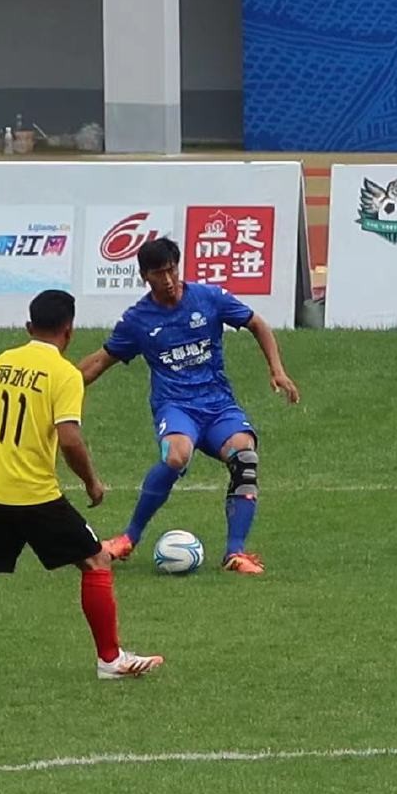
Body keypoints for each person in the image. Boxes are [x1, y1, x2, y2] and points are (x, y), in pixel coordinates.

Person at [0, 290, 161, 681]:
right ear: (69, 331)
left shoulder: (0, 364)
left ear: (29, 327)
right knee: (95, 560)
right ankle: (110, 660)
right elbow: (70, 438)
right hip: (36, 496)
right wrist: (91, 482)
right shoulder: (64, 375)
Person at [79, 237, 300, 575]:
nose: (167, 280)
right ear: (144, 276)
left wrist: (278, 370)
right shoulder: (138, 320)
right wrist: (57, 387)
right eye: (158, 274)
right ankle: (128, 538)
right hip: (175, 407)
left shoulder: (208, 298)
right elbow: (99, 362)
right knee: (176, 455)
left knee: (245, 456)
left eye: (171, 270)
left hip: (218, 405)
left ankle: (235, 554)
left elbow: (257, 323)